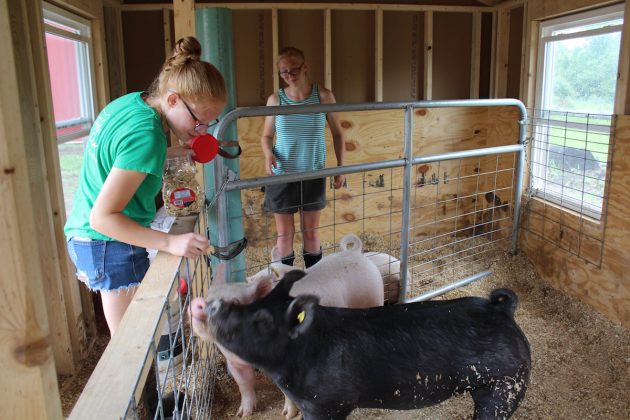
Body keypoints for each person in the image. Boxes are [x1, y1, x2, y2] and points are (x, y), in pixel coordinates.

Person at [64, 37, 227, 337]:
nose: (201, 130)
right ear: (174, 99)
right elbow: (101, 218)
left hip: (90, 238)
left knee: (135, 338)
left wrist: (173, 153)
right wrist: (169, 243)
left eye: (208, 123)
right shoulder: (148, 136)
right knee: (130, 344)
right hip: (106, 241)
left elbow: (121, 160)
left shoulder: (134, 104)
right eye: (198, 121)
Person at [261, 46, 346, 268]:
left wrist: (341, 167)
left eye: (293, 69)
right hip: (282, 174)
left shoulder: (324, 96)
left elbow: (338, 133)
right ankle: (285, 289)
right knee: (284, 235)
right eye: (283, 72)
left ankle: (314, 283)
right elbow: (266, 135)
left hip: (313, 172)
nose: (289, 75)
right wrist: (268, 153)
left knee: (311, 234)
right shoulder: (275, 100)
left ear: (305, 67)